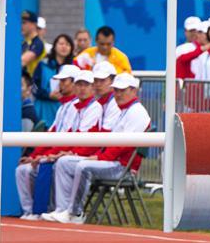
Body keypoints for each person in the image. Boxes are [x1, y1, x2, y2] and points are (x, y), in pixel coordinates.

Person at [43, 73, 151, 224]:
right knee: (64, 162)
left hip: (123, 168)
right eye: (116, 90)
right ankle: (62, 209)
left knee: (83, 166)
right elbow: (114, 143)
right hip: (115, 162)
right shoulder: (125, 110)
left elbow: (123, 145)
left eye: (122, 90)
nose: (118, 94)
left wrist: (99, 157)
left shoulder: (136, 112)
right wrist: (97, 156)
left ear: (134, 91)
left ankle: (76, 213)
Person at [16, 64, 79, 220]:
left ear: (73, 83)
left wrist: (47, 155)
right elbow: (50, 135)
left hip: (68, 154)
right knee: (22, 169)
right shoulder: (63, 107)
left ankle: (52, 209)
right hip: (60, 152)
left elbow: (68, 138)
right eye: (61, 81)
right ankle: (30, 211)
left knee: (48, 164)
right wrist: (35, 155)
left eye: (65, 81)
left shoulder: (75, 106)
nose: (61, 84)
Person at [31, 34, 75, 127]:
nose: (64, 47)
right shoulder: (43, 64)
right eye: (61, 43)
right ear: (54, 46)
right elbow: (34, 87)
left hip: (65, 107)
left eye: (67, 44)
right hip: (43, 107)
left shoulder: (74, 67)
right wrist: (48, 95)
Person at [92, 61, 120, 131]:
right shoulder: (99, 101)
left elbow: (105, 133)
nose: (98, 84)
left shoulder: (116, 103)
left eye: (102, 80)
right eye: (95, 80)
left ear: (113, 81)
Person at [21, 10, 46, 78]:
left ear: (34, 24)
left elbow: (21, 62)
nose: (21, 25)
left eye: (24, 23)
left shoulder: (38, 43)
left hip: (32, 84)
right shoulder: (24, 43)